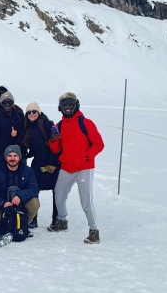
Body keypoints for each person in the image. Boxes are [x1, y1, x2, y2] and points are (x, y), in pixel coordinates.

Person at [48, 92, 104, 244]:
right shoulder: (59, 126)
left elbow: (99, 144)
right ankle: (62, 222)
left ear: (75, 105)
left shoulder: (86, 123)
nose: (67, 107)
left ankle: (94, 231)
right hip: (66, 168)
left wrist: (86, 157)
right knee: (58, 197)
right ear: (61, 107)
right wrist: (53, 139)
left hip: (84, 169)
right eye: (64, 104)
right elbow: (56, 149)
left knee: (86, 202)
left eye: (70, 104)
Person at [21, 102, 60, 229]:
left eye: (34, 111)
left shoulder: (48, 124)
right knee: (33, 190)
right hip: (38, 163)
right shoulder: (27, 128)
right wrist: (26, 154)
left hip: (52, 162)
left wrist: (53, 163)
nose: (32, 114)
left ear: (39, 112)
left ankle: (56, 219)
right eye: (29, 112)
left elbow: (57, 145)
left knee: (57, 192)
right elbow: (34, 147)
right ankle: (33, 218)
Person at [0, 145, 40, 229]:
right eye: (9, 156)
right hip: (2, 206)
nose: (12, 158)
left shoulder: (28, 171)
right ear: (5, 157)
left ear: (19, 157)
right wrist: (2, 203)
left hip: (20, 205)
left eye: (15, 155)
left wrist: (20, 196)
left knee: (34, 203)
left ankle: (23, 224)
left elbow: (34, 189)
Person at [0, 91, 25, 162]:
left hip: (16, 156)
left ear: (13, 103)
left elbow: (22, 136)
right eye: (5, 102)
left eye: (10, 102)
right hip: (1, 156)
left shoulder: (18, 117)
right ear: (1, 103)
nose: (7, 104)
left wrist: (22, 153)